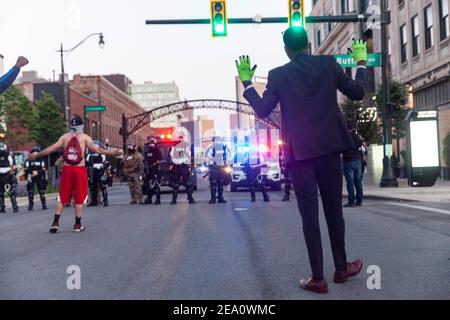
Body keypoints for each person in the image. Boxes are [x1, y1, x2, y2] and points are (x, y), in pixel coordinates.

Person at [235, 27, 369, 293]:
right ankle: (341, 268)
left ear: (286, 50)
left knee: (309, 214)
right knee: (334, 210)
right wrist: (361, 62)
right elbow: (356, 92)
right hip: (330, 149)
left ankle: (318, 278)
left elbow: (263, 110)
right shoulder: (328, 64)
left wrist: (248, 83)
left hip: (300, 155)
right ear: (308, 45)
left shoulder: (278, 75)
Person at [28, 116, 121, 233]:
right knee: (79, 197)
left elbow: (51, 148)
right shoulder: (85, 138)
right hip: (79, 170)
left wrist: (36, 155)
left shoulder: (64, 137)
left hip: (67, 169)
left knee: (62, 197)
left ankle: (55, 222)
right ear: (81, 126)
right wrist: (113, 153)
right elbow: (99, 150)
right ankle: (77, 224)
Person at [169, 136, 196, 205]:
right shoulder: (185, 146)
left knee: (176, 185)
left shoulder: (174, 146)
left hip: (177, 167)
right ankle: (190, 199)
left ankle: (174, 200)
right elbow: (189, 155)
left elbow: (171, 155)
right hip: (183, 166)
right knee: (187, 184)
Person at [343, 121, 364, 208]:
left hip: (348, 160)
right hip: (357, 160)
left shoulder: (344, 136)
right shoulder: (356, 136)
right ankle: (359, 201)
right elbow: (360, 144)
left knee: (350, 181)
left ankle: (351, 201)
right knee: (358, 181)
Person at [24, 145, 48, 211]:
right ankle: (30, 205)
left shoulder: (41, 160)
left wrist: (37, 172)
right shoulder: (28, 160)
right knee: (31, 191)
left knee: (41, 191)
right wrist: (32, 172)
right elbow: (25, 169)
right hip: (31, 176)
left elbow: (44, 169)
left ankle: (44, 204)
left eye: (37, 152)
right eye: (33, 152)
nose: (35, 153)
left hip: (39, 176)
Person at [86, 141, 109, 207]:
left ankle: (105, 201)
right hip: (92, 171)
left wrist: (104, 169)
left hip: (100, 170)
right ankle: (94, 201)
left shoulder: (102, 154)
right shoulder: (89, 154)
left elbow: (106, 162)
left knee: (103, 186)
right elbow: (86, 162)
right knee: (92, 187)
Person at [208, 137, 230, 204]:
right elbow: (209, 156)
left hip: (222, 167)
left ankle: (220, 197)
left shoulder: (224, 147)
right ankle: (213, 198)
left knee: (221, 183)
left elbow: (227, 156)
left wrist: (226, 163)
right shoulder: (211, 148)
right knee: (213, 183)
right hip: (214, 167)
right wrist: (212, 163)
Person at [143, 137, 163, 205]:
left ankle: (158, 200)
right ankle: (149, 199)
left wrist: (154, 164)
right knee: (148, 185)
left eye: (152, 143)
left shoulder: (157, 150)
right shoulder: (147, 151)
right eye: (150, 143)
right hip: (149, 170)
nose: (151, 144)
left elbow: (159, 159)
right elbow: (145, 159)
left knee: (156, 185)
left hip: (155, 169)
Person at [0, 142, 19, 213]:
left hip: (3, 175)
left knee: (1, 192)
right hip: (7, 174)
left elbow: (13, 166)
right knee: (11, 191)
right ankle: (15, 207)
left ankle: (2, 208)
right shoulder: (9, 155)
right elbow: (13, 166)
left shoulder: (8, 155)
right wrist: (14, 174)